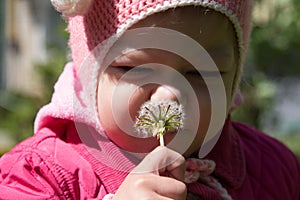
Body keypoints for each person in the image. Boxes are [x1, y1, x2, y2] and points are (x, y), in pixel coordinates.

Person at [0, 0, 299, 199]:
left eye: (200, 74)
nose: (169, 96)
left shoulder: (273, 169)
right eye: (134, 69)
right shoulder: (38, 176)